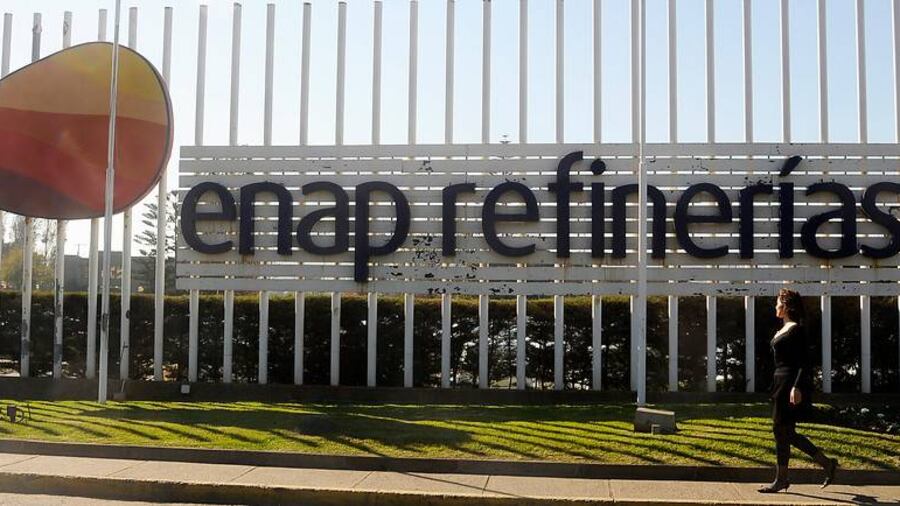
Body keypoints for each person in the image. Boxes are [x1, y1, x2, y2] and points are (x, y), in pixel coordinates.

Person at [758, 288, 838, 493]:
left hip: (789, 383)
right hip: (779, 382)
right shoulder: (783, 329)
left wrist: (797, 386)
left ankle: (782, 479)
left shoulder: (796, 330)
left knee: (781, 430)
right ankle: (826, 464)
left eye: (778, 302)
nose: (775, 306)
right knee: (785, 432)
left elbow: (804, 362)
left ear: (785, 306)